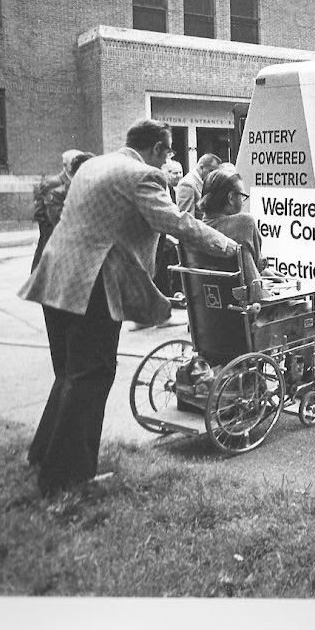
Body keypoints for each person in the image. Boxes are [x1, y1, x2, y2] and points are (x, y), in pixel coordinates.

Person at [19, 120, 239, 496]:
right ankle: (67, 478)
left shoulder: (94, 165)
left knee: (69, 372)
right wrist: (227, 245)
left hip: (55, 275)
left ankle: (44, 457)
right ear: (157, 149)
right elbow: (177, 223)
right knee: (92, 374)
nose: (167, 160)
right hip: (93, 285)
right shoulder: (143, 175)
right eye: (168, 153)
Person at [194, 169, 315, 391]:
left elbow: (247, 268)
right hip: (249, 322)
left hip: (211, 326)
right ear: (230, 197)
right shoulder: (243, 223)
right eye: (242, 196)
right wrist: (277, 289)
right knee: (314, 311)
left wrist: (264, 274)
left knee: (297, 307)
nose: (243, 201)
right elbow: (257, 286)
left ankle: (303, 373)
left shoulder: (197, 232)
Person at [31, 148, 82, 270]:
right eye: (75, 162)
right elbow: (41, 212)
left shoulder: (78, 180)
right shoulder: (52, 183)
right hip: (52, 234)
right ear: (66, 165)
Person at [149, 158, 185, 302]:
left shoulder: (171, 190)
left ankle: (172, 293)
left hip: (168, 237)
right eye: (174, 173)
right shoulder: (153, 190)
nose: (178, 176)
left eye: (180, 172)